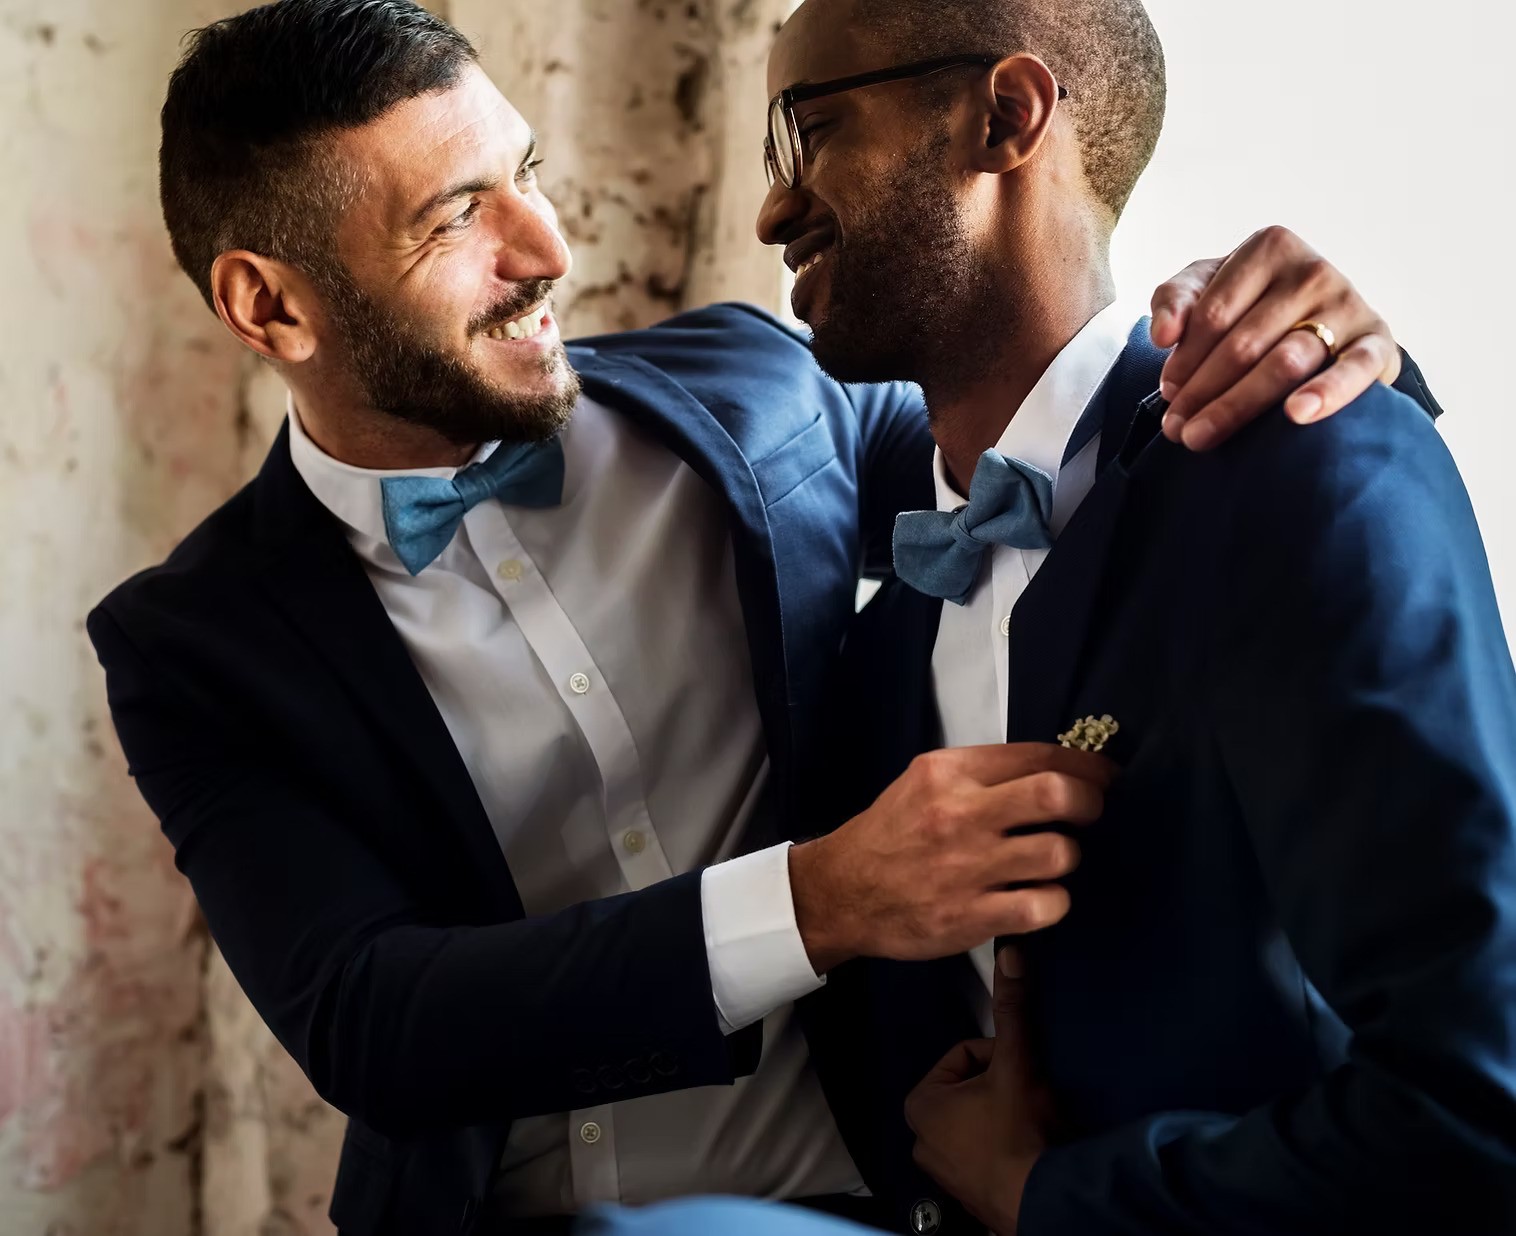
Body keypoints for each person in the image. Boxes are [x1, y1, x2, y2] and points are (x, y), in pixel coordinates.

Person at [88, 2, 1444, 1234]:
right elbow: (371, 1019)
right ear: (270, 304)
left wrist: (1286, 346)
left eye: (528, 176)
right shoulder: (192, 647)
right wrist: (822, 899)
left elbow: (1055, 433)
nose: (549, 250)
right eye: (454, 220)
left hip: (868, 1199)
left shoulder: (755, 396)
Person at [746, 0, 1516, 1232]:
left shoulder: (1309, 463)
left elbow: (1481, 1106)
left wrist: (1052, 1199)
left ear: (1006, 117)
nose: (772, 209)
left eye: (811, 130)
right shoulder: (878, 647)